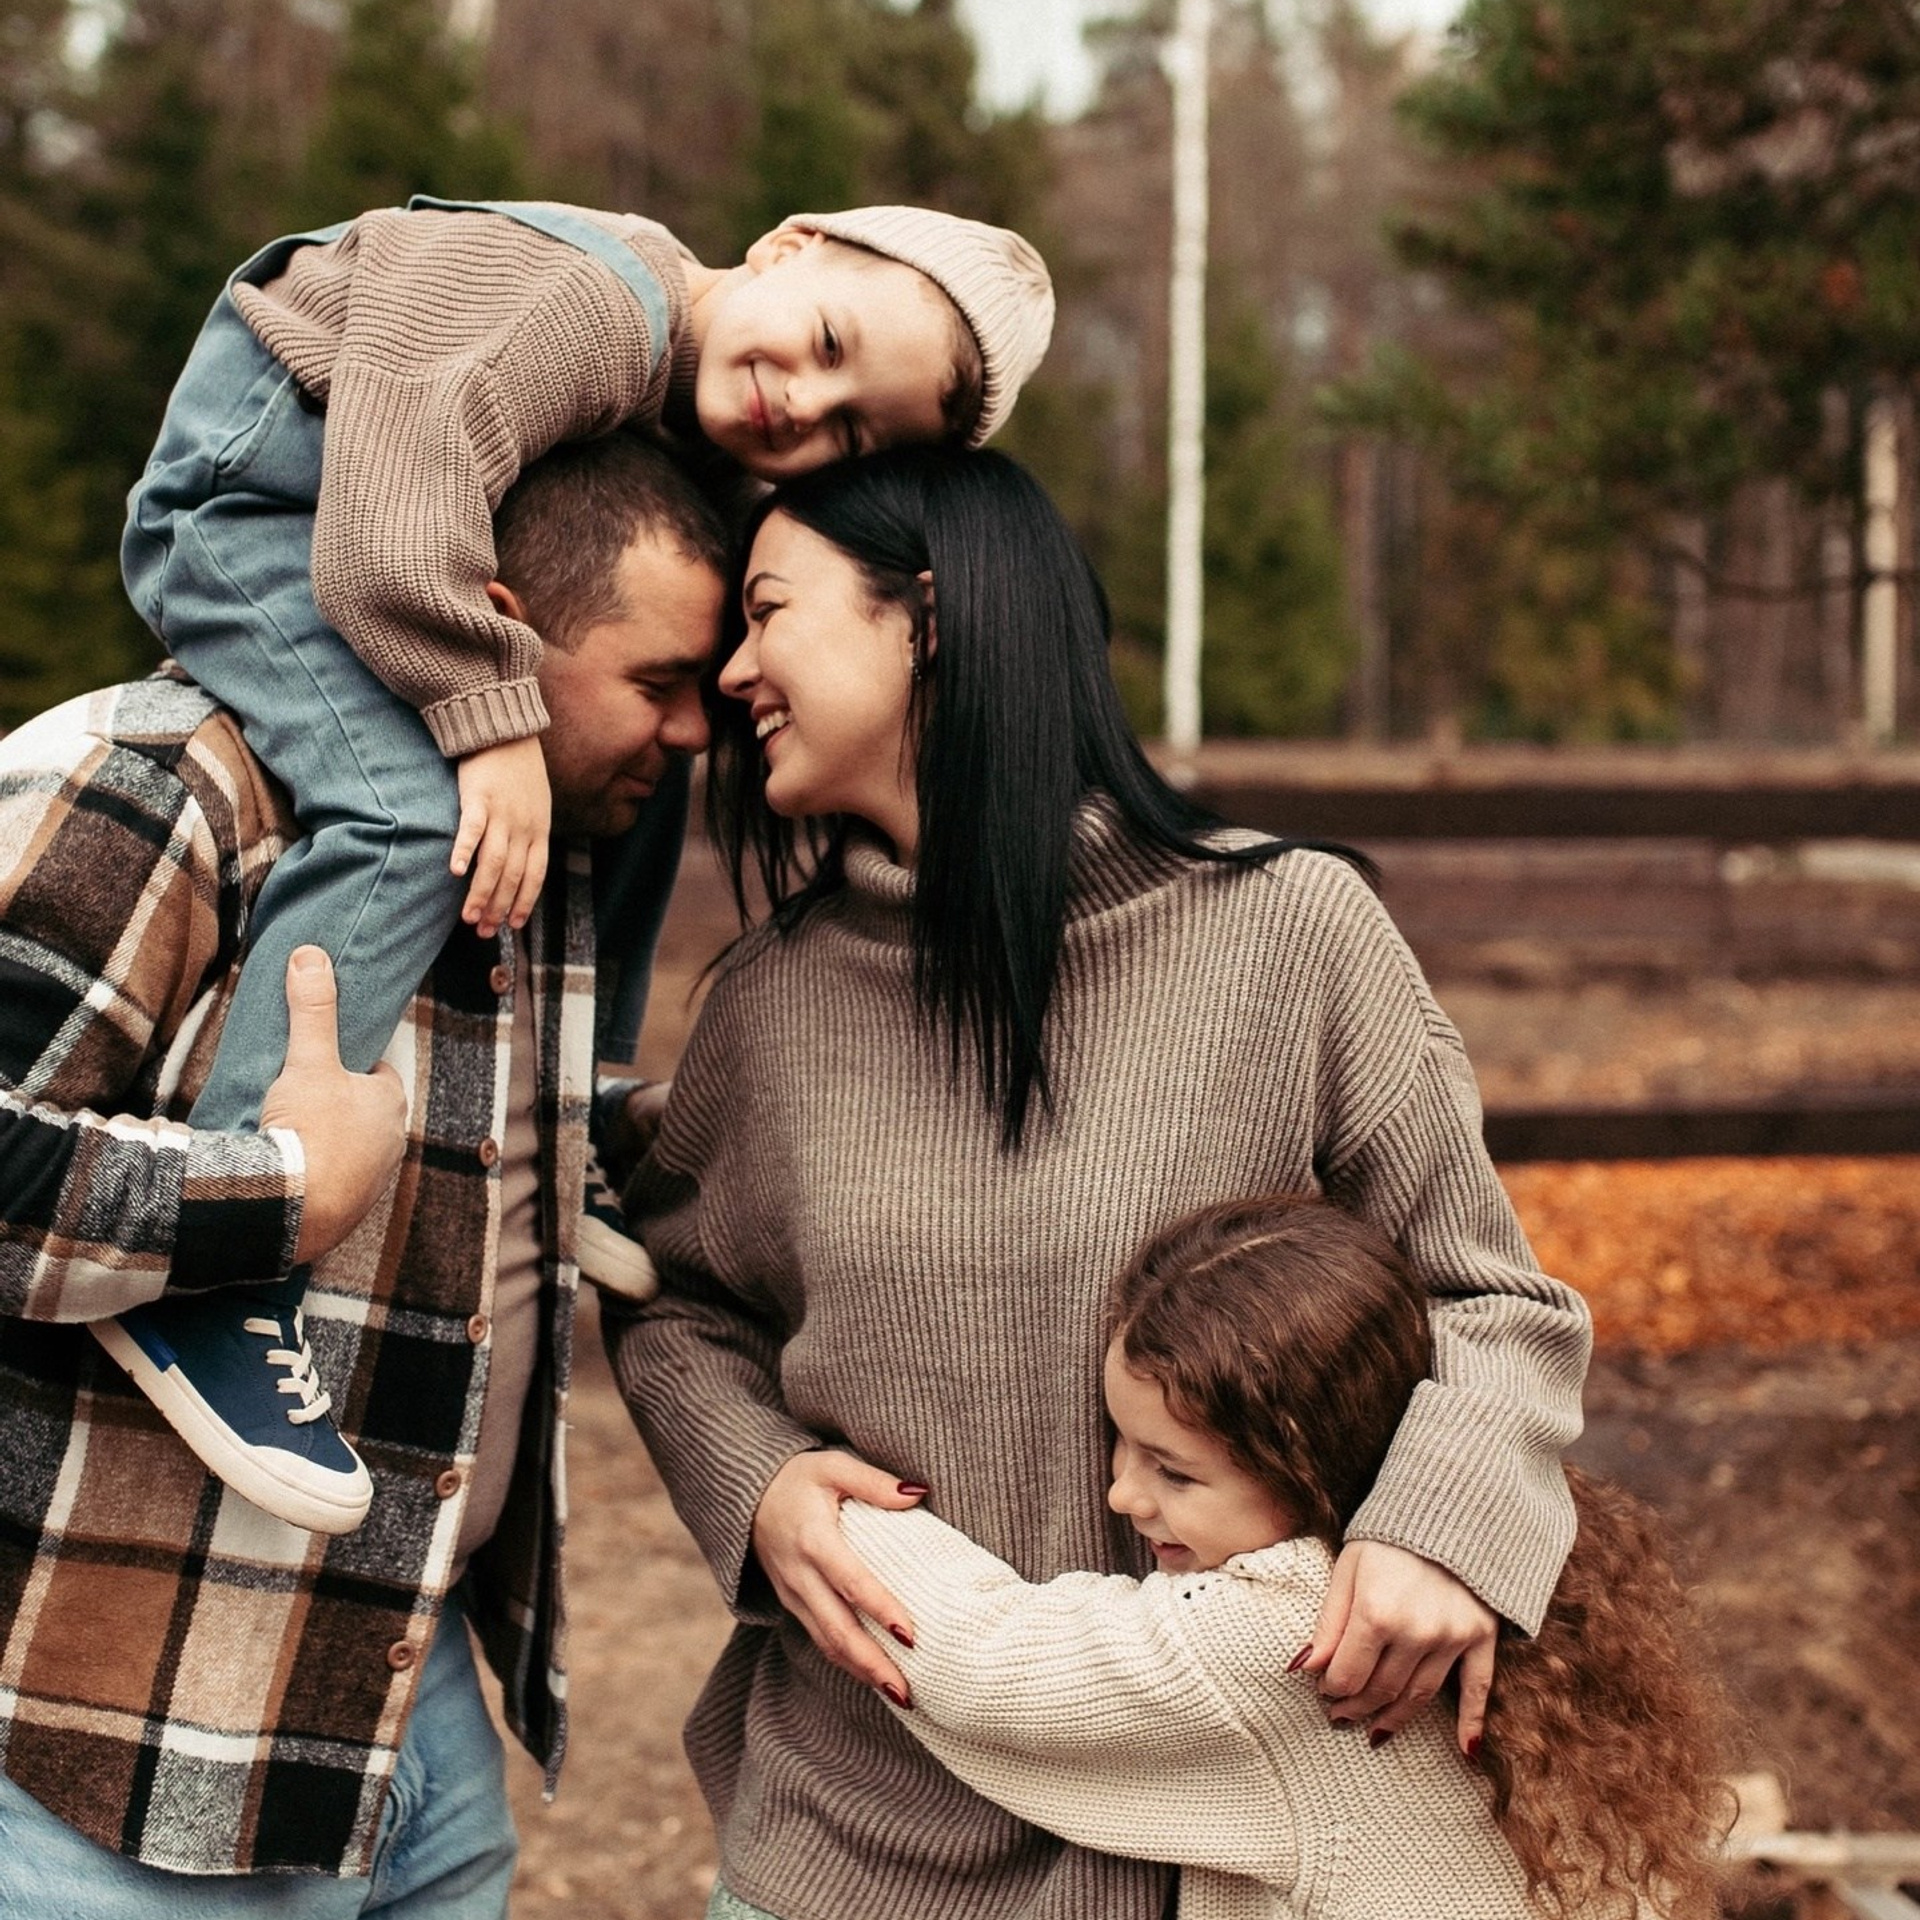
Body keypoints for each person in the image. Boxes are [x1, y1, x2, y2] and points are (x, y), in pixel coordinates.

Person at [605, 446, 1594, 1920]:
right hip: (850, 1837)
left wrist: (1433, 1530)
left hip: (1214, 1846)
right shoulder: (772, 1001)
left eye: (767, 612)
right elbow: (680, 1303)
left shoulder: (1291, 931)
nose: (733, 672)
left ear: (928, 619)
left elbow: (1493, 1298)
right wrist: (758, 1484)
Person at [105, 191, 1055, 1530]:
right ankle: (224, 1247)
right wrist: (487, 717)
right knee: (408, 810)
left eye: (851, 429)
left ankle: (583, 1102)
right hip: (253, 509)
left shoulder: (691, 414)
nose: (803, 403)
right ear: (787, 245)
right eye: (829, 342)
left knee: (642, 758)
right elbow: (392, 512)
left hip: (374, 530)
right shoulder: (586, 304)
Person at [0, 432, 726, 1909]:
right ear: (498, 632)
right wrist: (273, 1196)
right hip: (122, 1742)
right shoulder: (159, 784)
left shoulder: (534, 839)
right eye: (658, 682)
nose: (695, 730)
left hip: (408, 1693)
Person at [836, 1193, 1733, 1920]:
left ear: (1310, 1468)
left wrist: (813, 1497)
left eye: (1174, 1472)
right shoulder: (1507, 1549)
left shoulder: (1294, 1632)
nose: (1124, 1497)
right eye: (1120, 1443)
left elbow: (984, 1663)